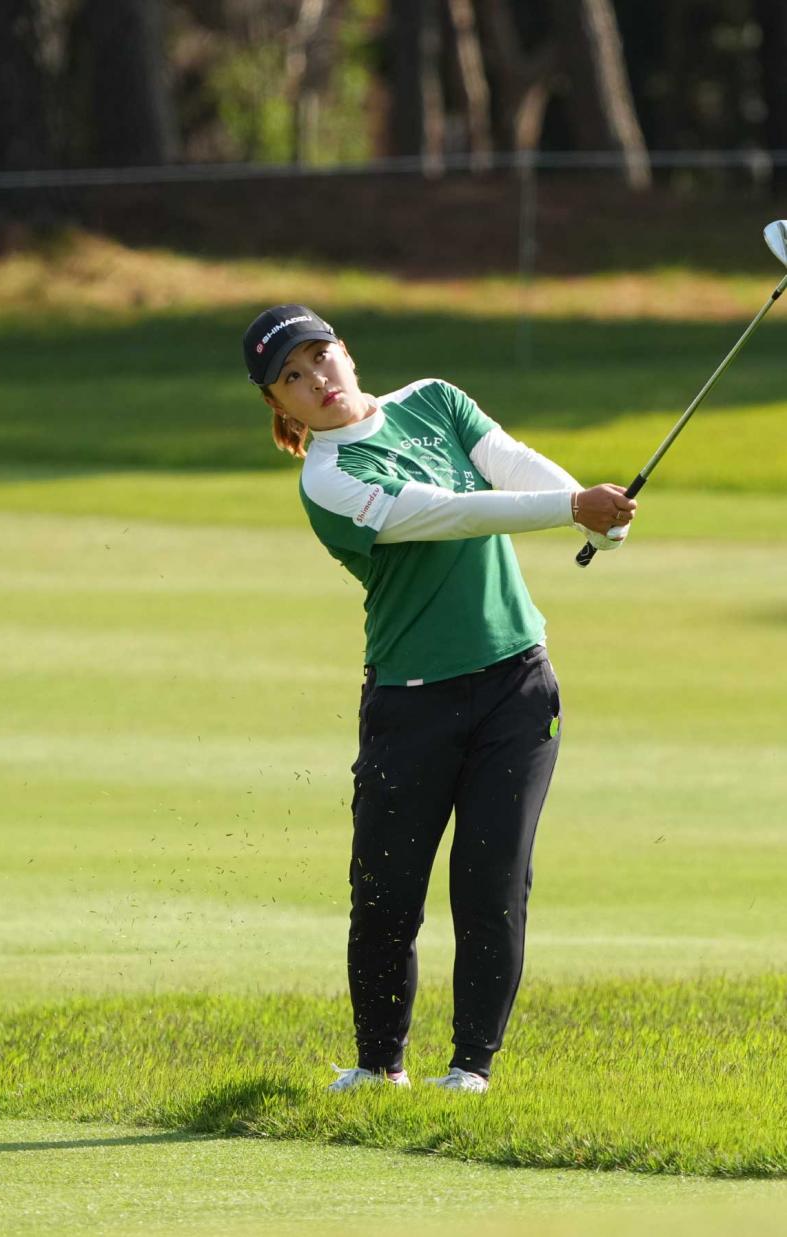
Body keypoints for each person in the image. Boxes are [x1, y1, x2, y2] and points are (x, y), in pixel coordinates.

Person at [243, 304, 636, 1094]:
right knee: (386, 894)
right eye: (291, 376)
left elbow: (511, 464)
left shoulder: (433, 399)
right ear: (278, 404)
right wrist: (572, 509)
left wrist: (597, 518)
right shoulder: (327, 478)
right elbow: (444, 514)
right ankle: (379, 1065)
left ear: (346, 351)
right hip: (410, 702)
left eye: (320, 356)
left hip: (517, 687)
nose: (316, 378)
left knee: (492, 883)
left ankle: (469, 1071)